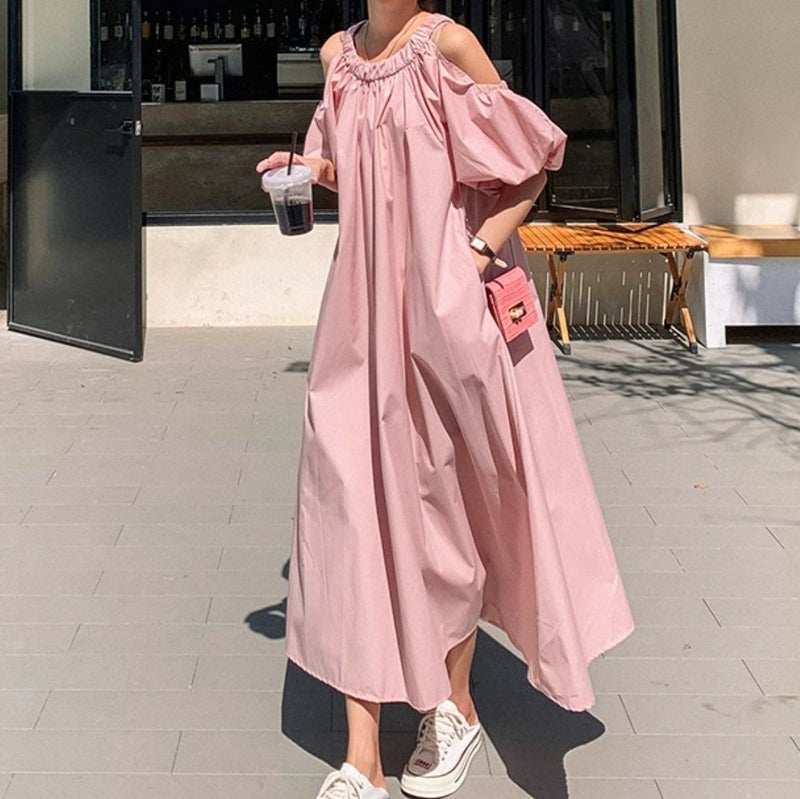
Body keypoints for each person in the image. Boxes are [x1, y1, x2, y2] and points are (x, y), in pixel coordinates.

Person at [256, 3, 635, 798]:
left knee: (440, 509)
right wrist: (308, 171)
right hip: (359, 317)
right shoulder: (337, 58)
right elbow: (350, 169)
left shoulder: (449, 46)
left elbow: (531, 163)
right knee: (348, 504)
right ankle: (361, 756)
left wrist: (472, 253)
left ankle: (454, 707)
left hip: (444, 320)